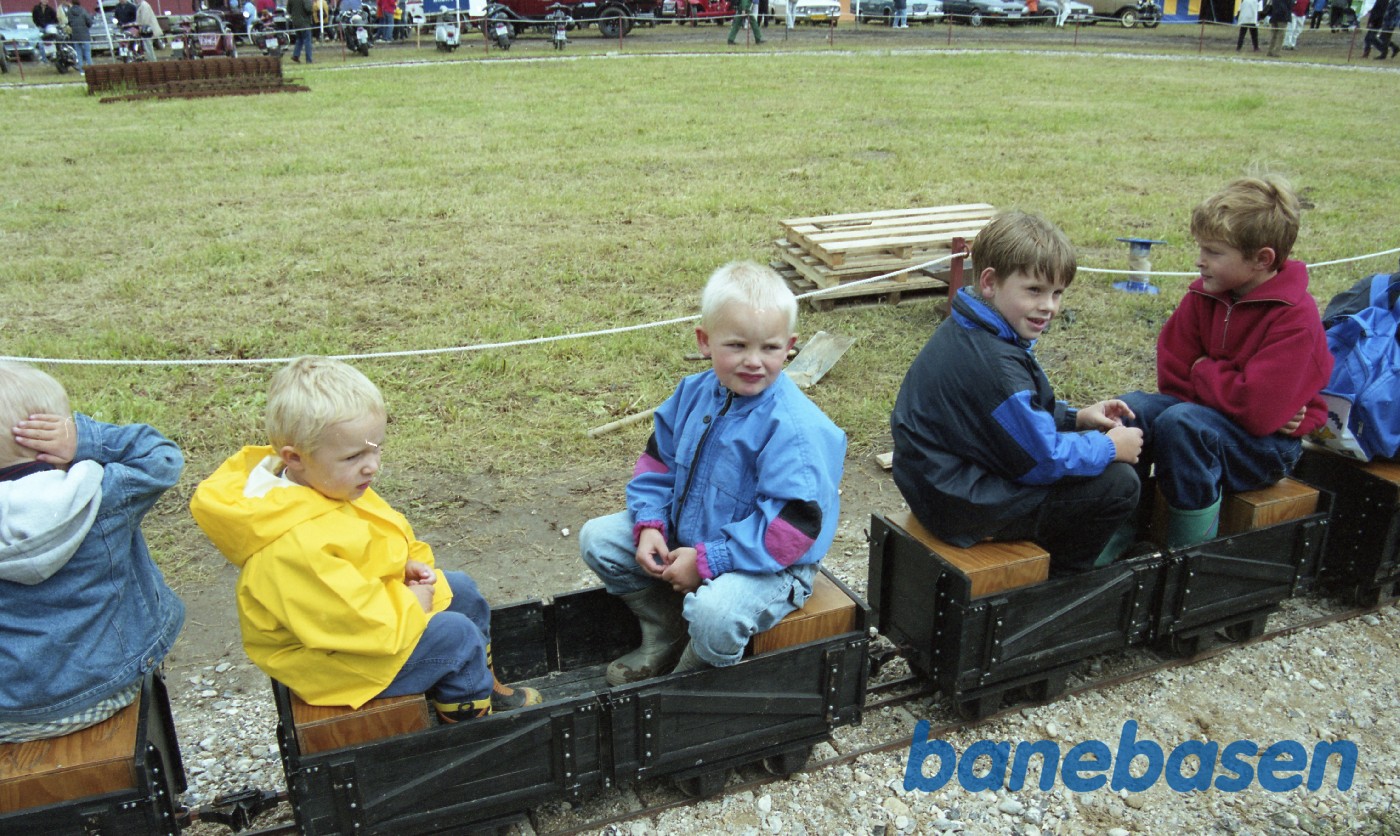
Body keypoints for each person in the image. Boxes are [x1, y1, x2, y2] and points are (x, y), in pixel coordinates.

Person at [189, 357, 541, 721]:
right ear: (295, 458)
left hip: (367, 626)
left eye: (377, 447)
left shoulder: (327, 483)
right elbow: (351, 622)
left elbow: (363, 551)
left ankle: (483, 684)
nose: (372, 465)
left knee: (461, 591)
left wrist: (401, 567)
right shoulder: (291, 543)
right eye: (355, 455)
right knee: (456, 636)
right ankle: (469, 730)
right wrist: (411, 603)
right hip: (333, 663)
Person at [579, 261, 846, 682]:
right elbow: (657, 464)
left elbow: (791, 531)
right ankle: (668, 631)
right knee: (599, 539)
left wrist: (708, 562)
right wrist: (649, 523)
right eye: (737, 345)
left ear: (790, 345)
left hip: (770, 564)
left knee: (715, 613)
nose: (754, 362)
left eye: (770, 348)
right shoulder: (693, 393)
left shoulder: (794, 429)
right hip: (696, 537)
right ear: (705, 341)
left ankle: (690, 680)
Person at [890, 212, 1143, 574]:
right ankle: (1062, 586)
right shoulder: (995, 363)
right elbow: (1040, 460)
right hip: (962, 506)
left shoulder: (974, 328)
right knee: (1119, 484)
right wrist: (1108, 447)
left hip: (941, 487)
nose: (1049, 306)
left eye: (1057, 293)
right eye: (1035, 291)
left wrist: (1078, 417)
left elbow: (1010, 418)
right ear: (991, 283)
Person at [1117, 176, 1332, 550]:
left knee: (1183, 423)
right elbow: (1172, 375)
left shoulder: (1295, 317)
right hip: (1208, 426)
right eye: (1201, 248)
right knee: (1130, 409)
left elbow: (1258, 414)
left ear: (1262, 259)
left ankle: (1190, 552)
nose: (1200, 261)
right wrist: (1236, 389)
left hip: (1265, 450)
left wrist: (1204, 370)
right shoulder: (1203, 296)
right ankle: (1117, 533)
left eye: (1214, 252)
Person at [0, 362, 185, 743]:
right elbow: (163, 458)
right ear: (48, 439)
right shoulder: (101, 493)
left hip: (9, 713)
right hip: (108, 686)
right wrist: (85, 438)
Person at [65, 0, 93, 73]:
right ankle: (90, 69)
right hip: (84, 34)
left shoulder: (69, 12)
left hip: (75, 35)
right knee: (87, 53)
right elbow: (89, 21)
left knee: (79, 54)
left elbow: (69, 23)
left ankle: (81, 71)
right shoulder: (83, 10)